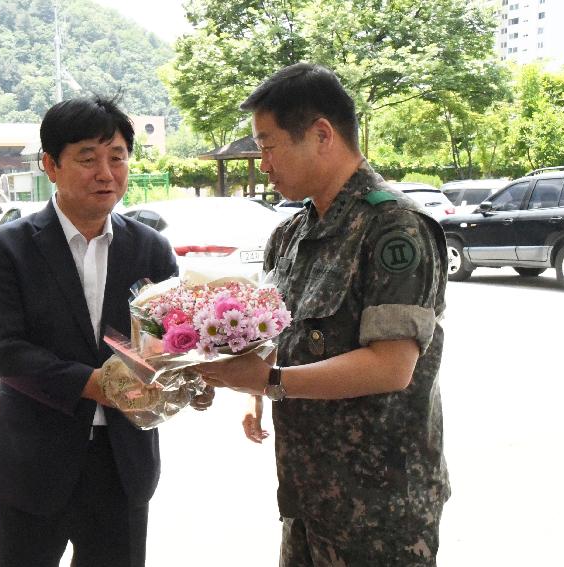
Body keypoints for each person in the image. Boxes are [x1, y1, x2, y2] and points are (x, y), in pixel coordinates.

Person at [200, 63, 450, 566]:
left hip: (380, 509)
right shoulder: (291, 236)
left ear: (321, 135)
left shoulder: (394, 230)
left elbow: (391, 366)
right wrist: (234, 379)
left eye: (268, 146)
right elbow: (273, 335)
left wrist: (271, 380)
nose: (263, 164)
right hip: (308, 497)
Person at [0, 95, 180, 567]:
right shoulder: (8, 248)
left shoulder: (152, 250)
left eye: (117, 158)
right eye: (87, 159)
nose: (106, 173)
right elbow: (2, 351)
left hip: (123, 461)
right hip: (32, 461)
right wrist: (97, 385)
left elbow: (166, 342)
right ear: (51, 164)